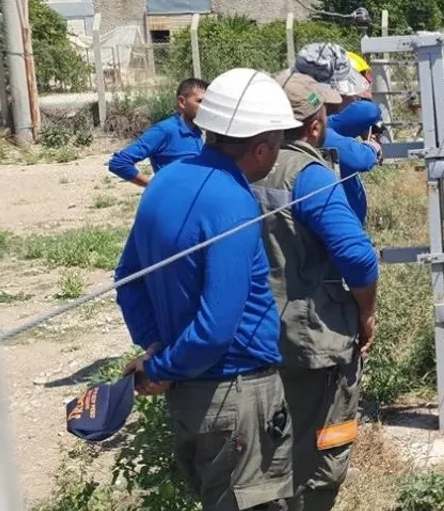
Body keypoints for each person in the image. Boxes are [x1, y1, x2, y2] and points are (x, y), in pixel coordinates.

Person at [113, 68, 301, 511]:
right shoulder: (232, 201)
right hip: (236, 396)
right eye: (278, 144)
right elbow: (217, 328)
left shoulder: (167, 180)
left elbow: (128, 278)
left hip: (191, 402)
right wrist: (160, 367)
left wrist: (157, 347)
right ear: (261, 148)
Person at [256, 71, 381, 511]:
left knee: (263, 451)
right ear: (314, 126)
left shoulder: (238, 167)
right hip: (310, 338)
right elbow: (358, 257)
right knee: (321, 447)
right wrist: (366, 312)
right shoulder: (308, 176)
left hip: (250, 336)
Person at [295, 43, 381, 223]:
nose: (352, 96)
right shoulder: (316, 128)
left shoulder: (322, 119)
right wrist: (371, 148)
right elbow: (359, 158)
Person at [108, 77, 207, 187]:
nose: (206, 107)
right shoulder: (164, 130)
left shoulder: (198, 131)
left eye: (208, 102)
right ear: (182, 102)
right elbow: (119, 163)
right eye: (200, 101)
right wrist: (154, 187)